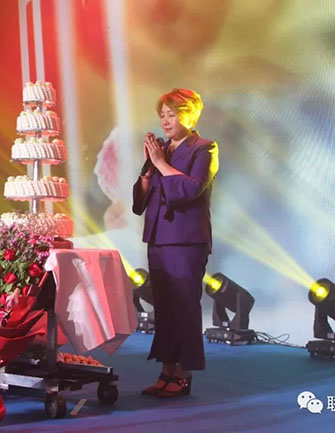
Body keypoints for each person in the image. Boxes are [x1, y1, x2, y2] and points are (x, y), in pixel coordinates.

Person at [132, 88, 218, 398]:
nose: (166, 121)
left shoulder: (204, 148)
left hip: (185, 240)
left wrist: (161, 163)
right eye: (162, 115)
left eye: (172, 114)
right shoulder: (163, 151)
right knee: (165, 308)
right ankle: (166, 370)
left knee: (184, 306)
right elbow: (140, 203)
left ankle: (183, 373)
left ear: (190, 115)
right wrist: (148, 169)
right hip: (158, 238)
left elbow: (192, 188)